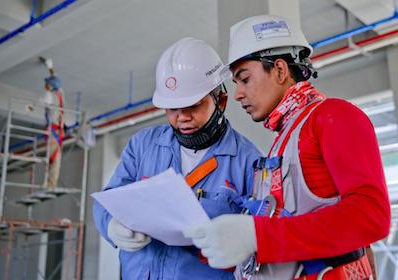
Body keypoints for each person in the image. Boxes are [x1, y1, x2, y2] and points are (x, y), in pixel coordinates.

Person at [183, 15, 391, 280]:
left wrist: (257, 236)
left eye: (244, 79)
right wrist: (223, 241)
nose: (237, 94)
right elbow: (282, 226)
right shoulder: (283, 141)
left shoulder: (334, 117)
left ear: (280, 70)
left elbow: (371, 216)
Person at [93, 37, 263, 279]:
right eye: (172, 108)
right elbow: (108, 199)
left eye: (193, 105)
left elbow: (260, 239)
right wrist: (111, 225)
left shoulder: (249, 162)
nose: (181, 117)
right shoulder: (143, 146)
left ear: (221, 101)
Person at [40, 57, 65, 188]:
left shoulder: (49, 96)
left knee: (52, 158)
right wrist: (50, 66)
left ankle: (49, 183)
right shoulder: (60, 94)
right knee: (55, 157)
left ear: (50, 86)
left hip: (53, 131)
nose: (45, 85)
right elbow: (56, 80)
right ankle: (51, 182)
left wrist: (30, 107)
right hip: (57, 131)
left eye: (47, 84)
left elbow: (43, 100)